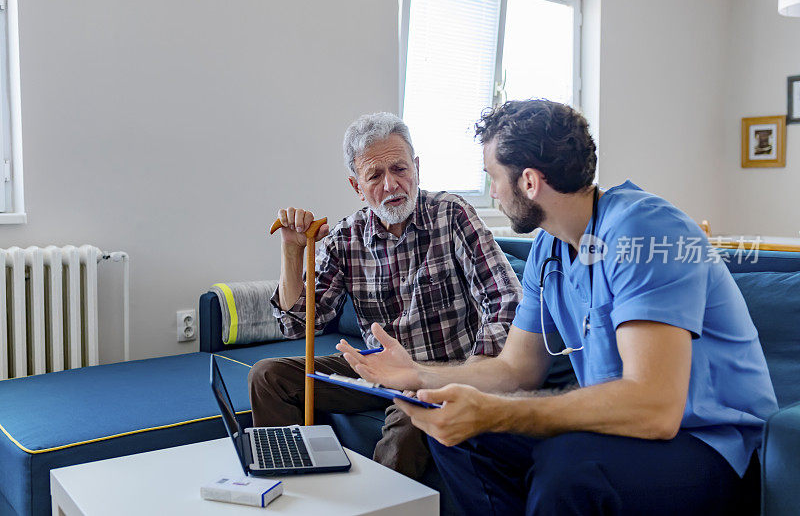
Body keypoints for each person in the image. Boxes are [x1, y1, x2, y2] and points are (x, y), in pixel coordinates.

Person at [337, 100, 778, 515]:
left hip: (709, 446)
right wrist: (419, 374)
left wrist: (496, 410)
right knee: (457, 434)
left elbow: (655, 408)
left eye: (493, 177)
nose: (492, 193)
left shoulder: (644, 231)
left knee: (570, 464)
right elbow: (515, 371)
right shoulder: (548, 248)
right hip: (617, 432)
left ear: (528, 182)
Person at [248, 112, 523, 479]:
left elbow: (506, 301)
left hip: (441, 372)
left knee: (410, 415)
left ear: (417, 168)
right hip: (377, 369)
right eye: (375, 176)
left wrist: (472, 374)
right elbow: (296, 326)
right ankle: (295, 490)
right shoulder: (346, 238)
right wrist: (291, 251)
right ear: (356, 185)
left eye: (399, 169)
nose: (392, 185)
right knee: (267, 376)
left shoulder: (451, 214)